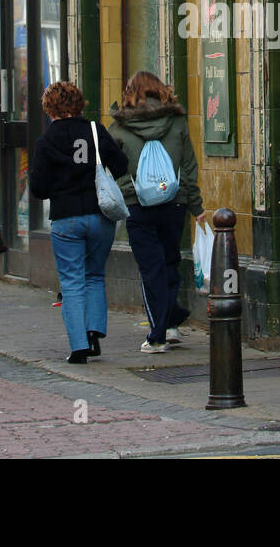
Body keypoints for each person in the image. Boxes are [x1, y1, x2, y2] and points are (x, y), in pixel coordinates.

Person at [107, 71, 209, 353]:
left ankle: (158, 335)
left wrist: (130, 190)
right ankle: (171, 323)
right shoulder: (176, 122)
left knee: (150, 269)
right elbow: (188, 166)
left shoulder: (118, 128)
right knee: (169, 261)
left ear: (130, 92)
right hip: (173, 203)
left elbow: (112, 169)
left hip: (138, 207)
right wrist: (195, 205)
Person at [29, 81, 128, 363]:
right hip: (100, 216)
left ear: (49, 108)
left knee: (72, 281)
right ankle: (94, 332)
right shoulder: (95, 131)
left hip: (65, 218)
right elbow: (121, 165)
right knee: (94, 275)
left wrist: (59, 187)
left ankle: (79, 346)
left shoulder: (46, 141)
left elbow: (38, 188)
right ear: (78, 103)